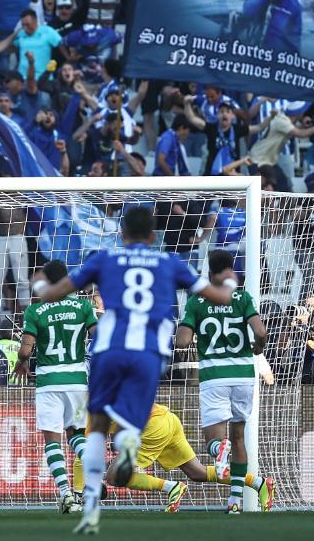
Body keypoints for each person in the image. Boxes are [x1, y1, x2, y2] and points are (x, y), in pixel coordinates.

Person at [34, 206, 235, 535]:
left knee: (94, 422)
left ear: (122, 233)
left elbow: (55, 292)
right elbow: (219, 297)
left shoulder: (104, 260)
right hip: (148, 355)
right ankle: (127, 440)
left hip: (110, 351)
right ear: (153, 236)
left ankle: (95, 487)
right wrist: (228, 280)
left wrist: (42, 284)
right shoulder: (169, 262)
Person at [175, 249, 269, 513]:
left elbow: (182, 342)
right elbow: (260, 331)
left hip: (214, 376)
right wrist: (258, 348)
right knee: (239, 438)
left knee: (214, 443)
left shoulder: (197, 300)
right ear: (231, 269)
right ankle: (235, 500)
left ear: (209, 270)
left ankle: (220, 448)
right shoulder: (242, 298)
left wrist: (189, 332)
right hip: (242, 376)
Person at [16, 260, 97, 514]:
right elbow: (98, 334)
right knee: (76, 434)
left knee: (52, 439)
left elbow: (26, 348)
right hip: (77, 381)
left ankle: (66, 494)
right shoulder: (84, 305)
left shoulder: (35, 311)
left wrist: (21, 362)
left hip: (49, 382)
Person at [101, 403, 275, 512]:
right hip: (168, 419)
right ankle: (259, 483)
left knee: (114, 476)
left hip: (151, 427)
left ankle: (172, 487)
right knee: (197, 472)